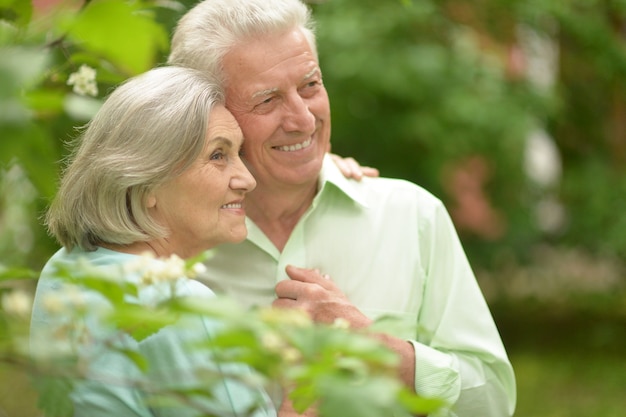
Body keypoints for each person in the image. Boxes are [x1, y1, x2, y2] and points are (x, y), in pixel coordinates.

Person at [167, 1, 516, 416]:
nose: (303, 118)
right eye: (268, 100)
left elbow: (492, 401)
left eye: (310, 85)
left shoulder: (413, 215)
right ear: (209, 115)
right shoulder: (166, 243)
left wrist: (376, 350)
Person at [29, 66, 275, 417]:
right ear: (145, 181)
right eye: (218, 155)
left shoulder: (66, 266)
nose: (246, 179)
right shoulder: (180, 303)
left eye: (239, 153)